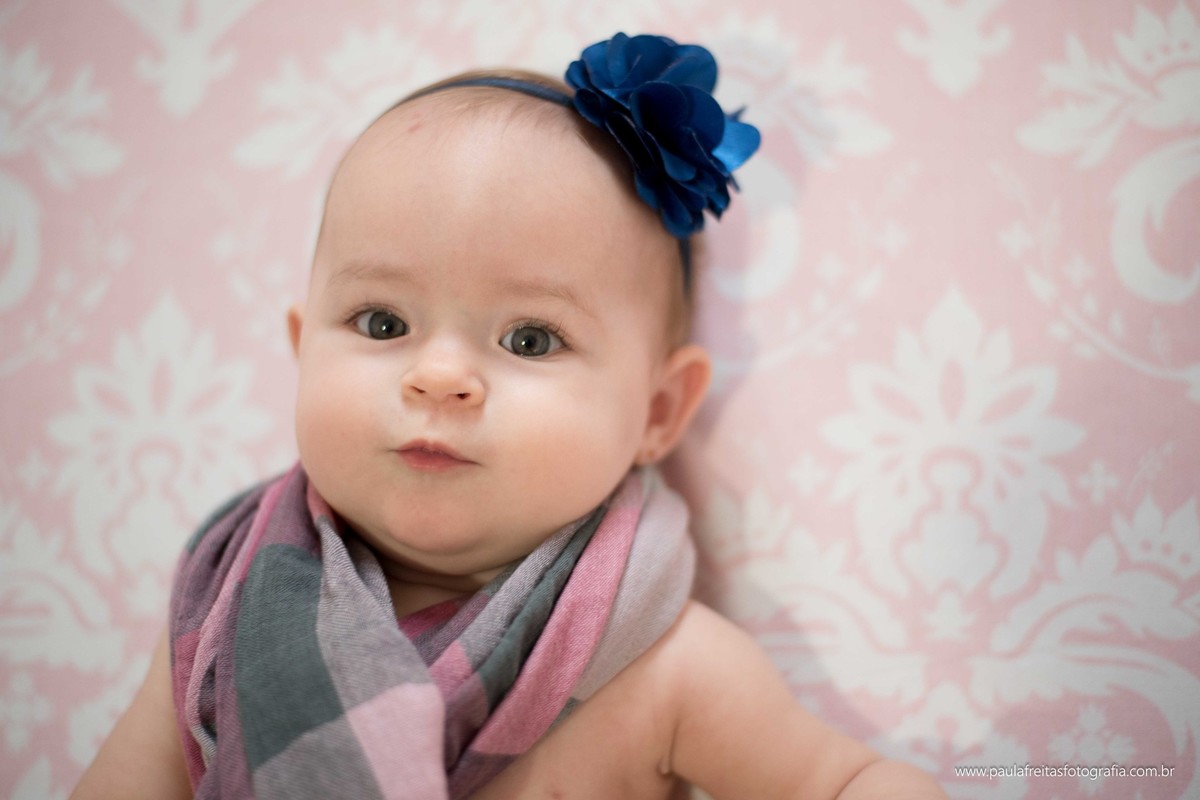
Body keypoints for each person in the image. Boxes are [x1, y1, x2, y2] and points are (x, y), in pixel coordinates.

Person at [73, 33, 947, 800]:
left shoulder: (668, 667)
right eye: (383, 323)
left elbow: (842, 780)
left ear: (657, 411)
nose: (440, 377)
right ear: (304, 351)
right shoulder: (220, 617)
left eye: (530, 338)